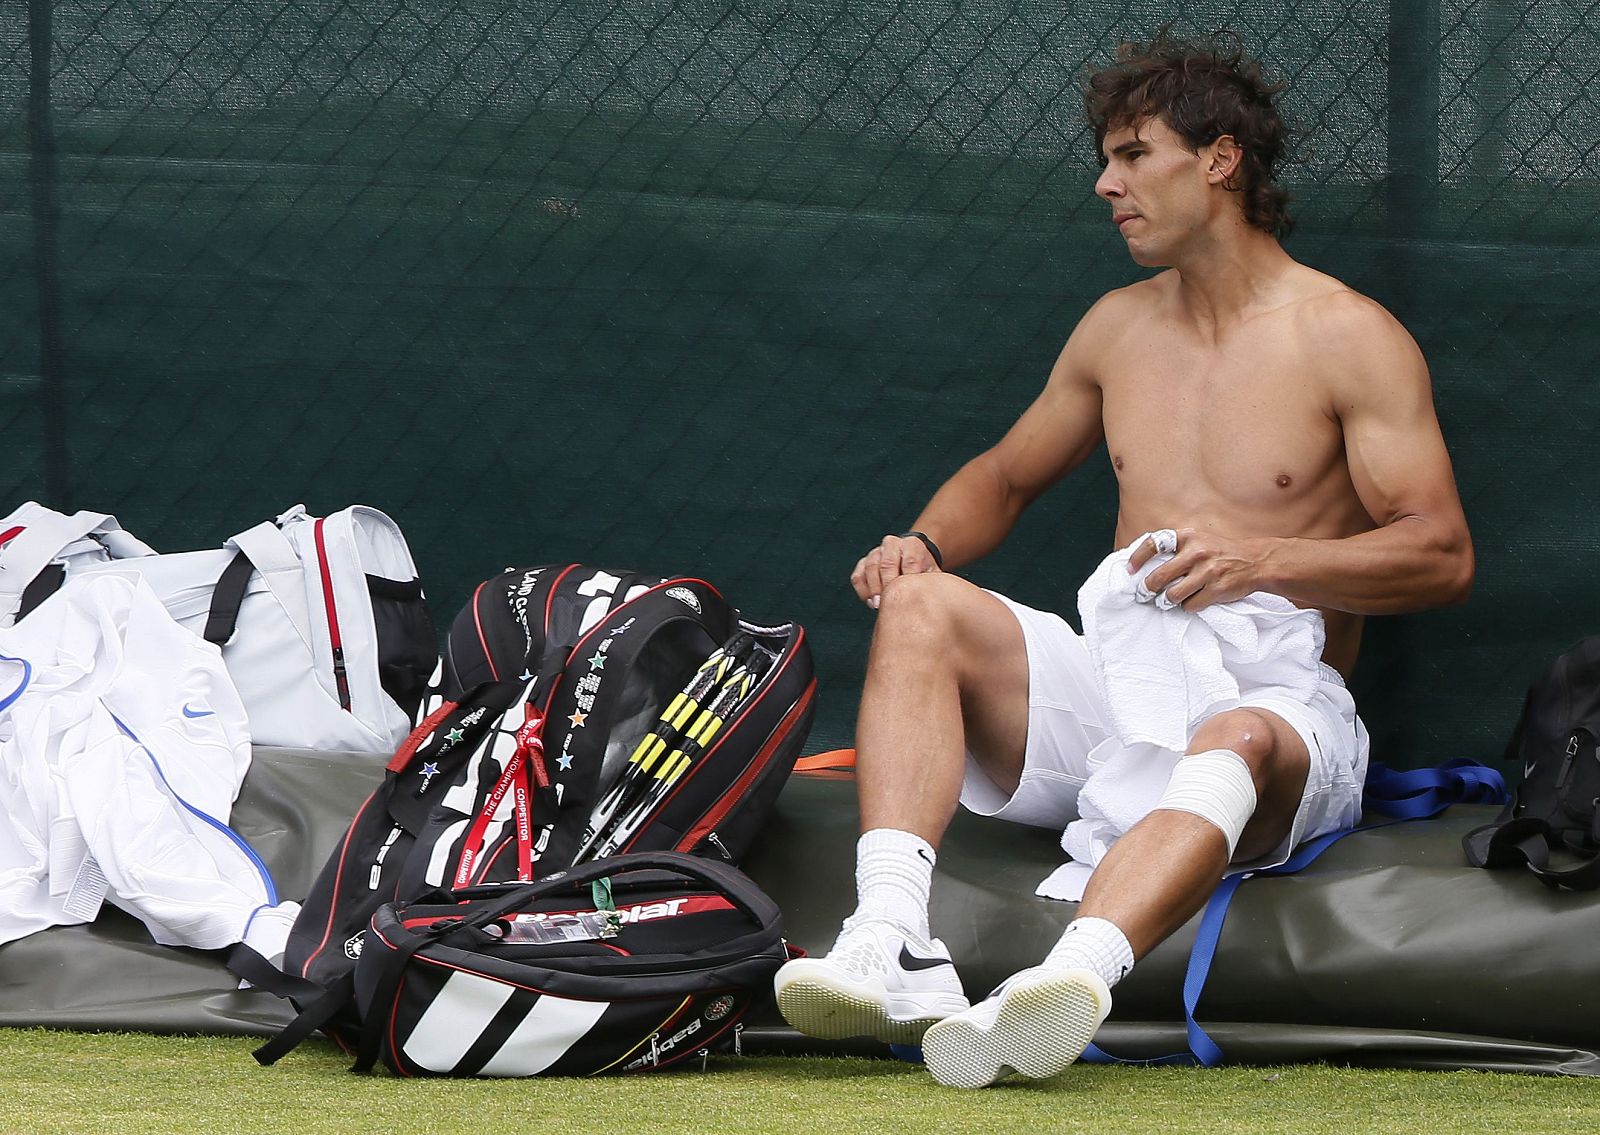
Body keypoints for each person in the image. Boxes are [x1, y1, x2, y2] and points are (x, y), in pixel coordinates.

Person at [772, 28, 1474, 1090]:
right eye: (1106, 160)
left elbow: (1441, 554)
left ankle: (1061, 983)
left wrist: (1264, 556)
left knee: (1233, 731)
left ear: (1219, 159)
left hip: (1274, 706)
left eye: (1133, 154)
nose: (1107, 184)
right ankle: (891, 940)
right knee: (922, 608)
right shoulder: (1113, 328)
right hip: (1114, 700)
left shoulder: (1346, 334)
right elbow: (1003, 479)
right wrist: (917, 546)